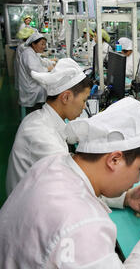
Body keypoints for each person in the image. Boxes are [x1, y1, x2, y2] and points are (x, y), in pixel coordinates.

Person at [0, 97, 140, 269]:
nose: (137, 180)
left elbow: (75, 192)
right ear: (115, 159)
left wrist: (125, 198)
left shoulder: (50, 164)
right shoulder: (84, 227)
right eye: (139, 169)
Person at [6, 58, 94, 196]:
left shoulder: (40, 117)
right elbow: (76, 185)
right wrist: (123, 198)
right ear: (65, 97)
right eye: (84, 100)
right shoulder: (41, 135)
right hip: (31, 208)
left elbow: (68, 131)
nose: (84, 107)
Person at [17, 32, 57, 114]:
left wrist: (52, 63)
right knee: (52, 90)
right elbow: (35, 71)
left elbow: (41, 61)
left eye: (44, 44)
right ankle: (44, 113)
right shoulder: (28, 54)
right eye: (42, 44)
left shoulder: (31, 52)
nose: (44, 46)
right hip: (31, 88)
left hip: (32, 83)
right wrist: (48, 69)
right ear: (33, 44)